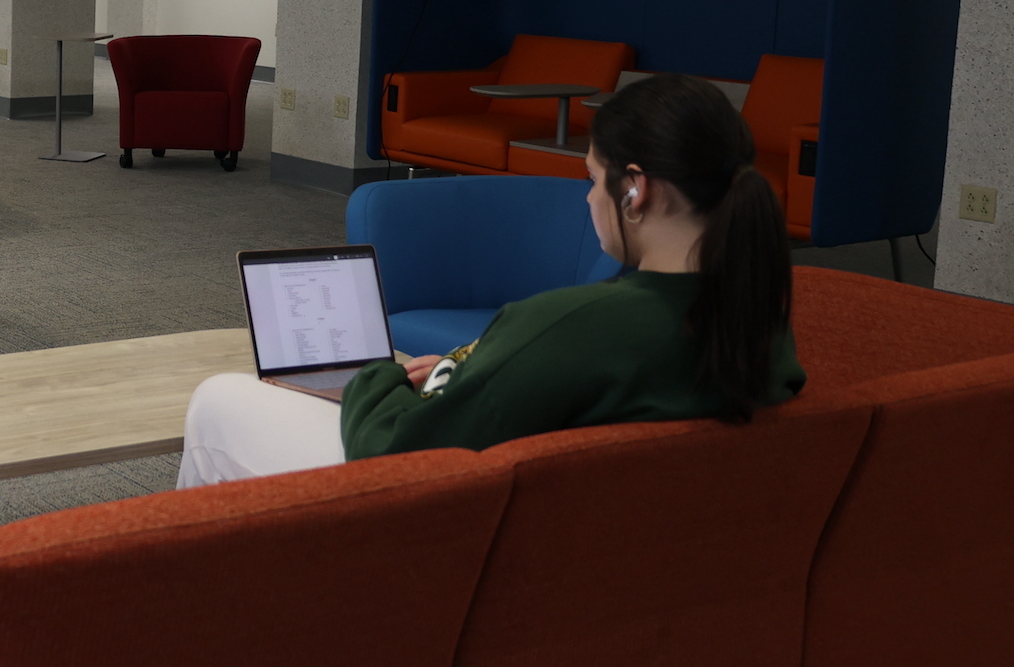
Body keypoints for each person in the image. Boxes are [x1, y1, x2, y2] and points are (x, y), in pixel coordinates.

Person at [178, 71, 804, 487]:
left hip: (451, 523)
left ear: (635, 189)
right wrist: (454, 373)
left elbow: (394, 450)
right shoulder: (757, 324)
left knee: (217, 402)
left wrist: (379, 378)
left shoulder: (577, 323)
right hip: (603, 545)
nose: (589, 201)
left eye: (592, 179)